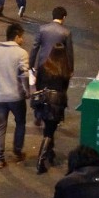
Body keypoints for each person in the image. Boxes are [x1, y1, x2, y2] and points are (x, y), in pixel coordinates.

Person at [0, 23, 30, 169]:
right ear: (16, 36)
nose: (22, 40)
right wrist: (27, 91)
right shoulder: (22, 53)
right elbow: (24, 75)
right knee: (20, 123)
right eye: (21, 37)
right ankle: (17, 150)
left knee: (0, 127)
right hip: (16, 97)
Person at [32, 43, 72, 174]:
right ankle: (41, 160)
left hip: (44, 101)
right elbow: (64, 88)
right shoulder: (64, 71)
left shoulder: (44, 67)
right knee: (50, 131)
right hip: (57, 103)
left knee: (48, 128)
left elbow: (38, 84)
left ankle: (50, 153)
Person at [30, 6, 74, 72]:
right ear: (64, 17)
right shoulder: (66, 33)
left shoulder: (42, 29)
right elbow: (69, 53)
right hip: (58, 67)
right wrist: (70, 69)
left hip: (42, 65)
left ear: (53, 16)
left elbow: (34, 48)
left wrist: (31, 65)